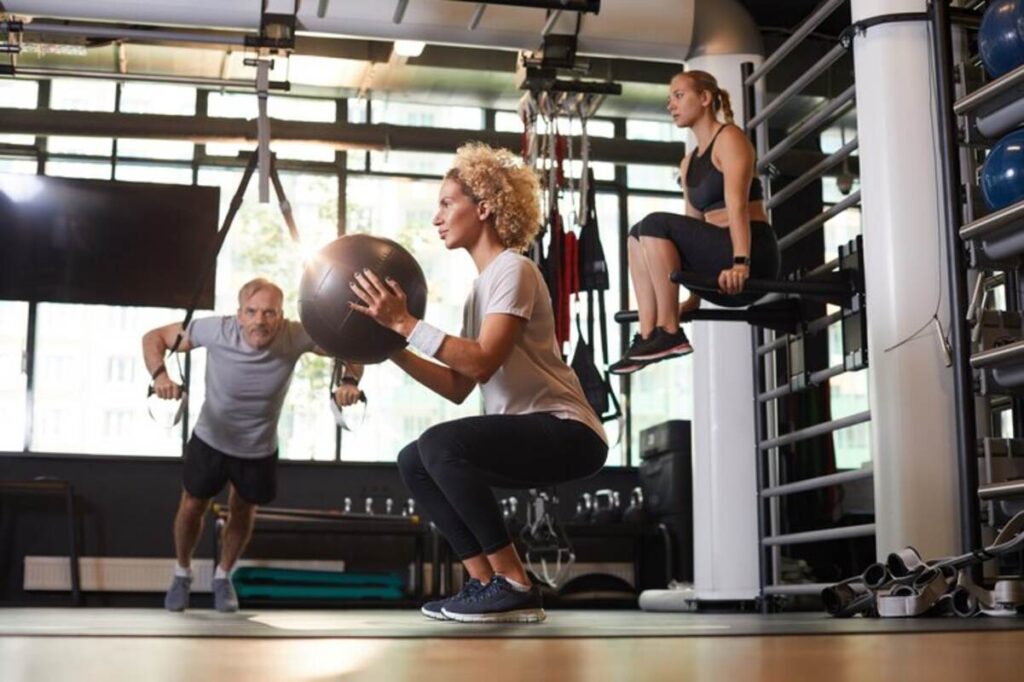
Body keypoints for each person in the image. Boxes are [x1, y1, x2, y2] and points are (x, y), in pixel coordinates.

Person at [349, 143, 608, 624]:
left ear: (484, 208)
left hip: (569, 431)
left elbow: (484, 361)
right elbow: (458, 385)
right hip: (528, 431)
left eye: (447, 203)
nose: (436, 218)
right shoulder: (480, 288)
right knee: (416, 461)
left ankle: (513, 582)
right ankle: (486, 582)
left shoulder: (514, 268)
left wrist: (405, 324)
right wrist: (393, 346)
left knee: (439, 444)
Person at [143, 277, 363, 613]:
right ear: (239, 314)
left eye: (269, 313)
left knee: (243, 510)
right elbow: (154, 337)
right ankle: (182, 572)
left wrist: (349, 380)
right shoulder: (215, 329)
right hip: (210, 438)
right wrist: (160, 376)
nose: (260, 320)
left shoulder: (297, 333)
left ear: (281, 315)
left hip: (258, 446)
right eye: (252, 311)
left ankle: (222, 576)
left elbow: (352, 348)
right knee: (192, 505)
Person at [609, 69, 781, 375]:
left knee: (653, 223)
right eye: (669, 99)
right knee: (636, 234)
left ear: (704, 98)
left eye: (678, 96)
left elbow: (737, 206)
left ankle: (670, 330)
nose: (670, 105)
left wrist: (741, 263)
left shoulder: (730, 138)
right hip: (718, 263)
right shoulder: (688, 163)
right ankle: (649, 336)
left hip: (751, 254)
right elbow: (690, 230)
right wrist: (694, 299)